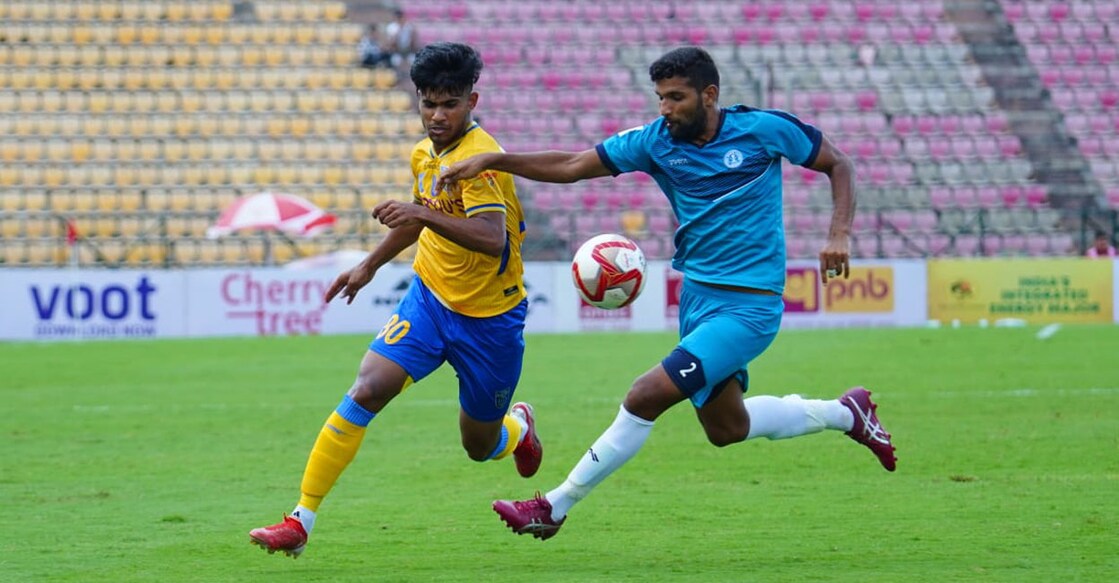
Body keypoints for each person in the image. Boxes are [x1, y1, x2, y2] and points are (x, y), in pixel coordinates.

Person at [437, 46, 897, 541]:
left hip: (748, 307)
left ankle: (554, 505)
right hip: (698, 300)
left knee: (645, 395)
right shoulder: (655, 142)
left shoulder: (763, 130)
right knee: (727, 428)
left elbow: (839, 163)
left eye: (676, 98)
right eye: (659, 98)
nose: (665, 109)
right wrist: (496, 160)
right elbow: (573, 164)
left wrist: (839, 234)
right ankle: (846, 413)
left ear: (709, 94)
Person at [249, 42, 542, 557]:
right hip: (430, 300)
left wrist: (422, 214)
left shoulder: (481, 161)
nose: (436, 115)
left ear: (472, 101)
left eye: (449, 103)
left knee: (479, 446)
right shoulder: (424, 153)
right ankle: (300, 519)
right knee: (367, 388)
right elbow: (420, 217)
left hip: (490, 321)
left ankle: (517, 431)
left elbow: (490, 238)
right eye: (427, 103)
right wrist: (368, 265)